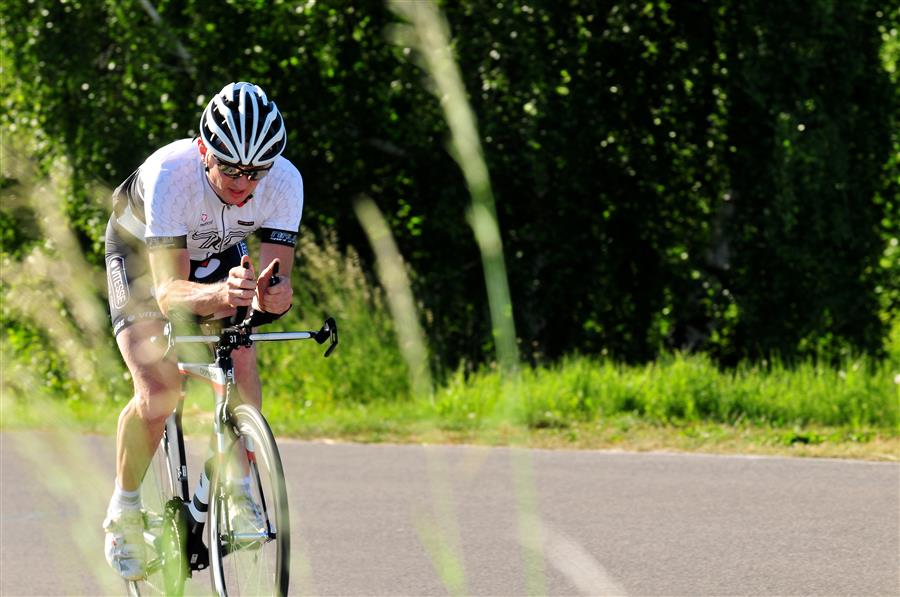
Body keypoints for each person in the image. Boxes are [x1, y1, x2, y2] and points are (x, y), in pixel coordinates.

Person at [102, 82, 303, 580]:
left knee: (242, 357)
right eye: (230, 169)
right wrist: (223, 295)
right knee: (160, 390)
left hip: (215, 248)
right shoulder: (172, 175)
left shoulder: (285, 181)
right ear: (203, 151)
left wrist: (273, 296)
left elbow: (276, 281)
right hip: (143, 256)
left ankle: (239, 489)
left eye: (254, 172)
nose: (242, 183)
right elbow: (168, 292)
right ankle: (124, 510)